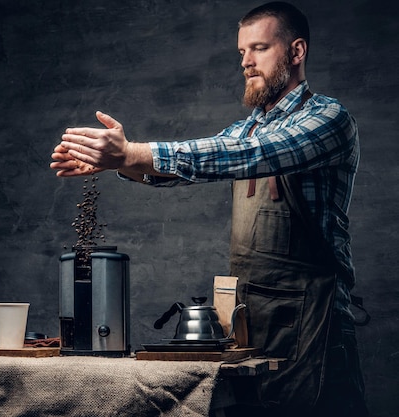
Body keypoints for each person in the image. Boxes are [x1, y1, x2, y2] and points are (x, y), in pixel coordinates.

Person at [50, 2, 368, 416]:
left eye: (259, 49)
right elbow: (193, 166)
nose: (247, 63)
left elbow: (248, 154)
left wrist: (134, 151)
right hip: (250, 321)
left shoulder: (328, 119)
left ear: (297, 51)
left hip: (316, 324)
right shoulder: (251, 124)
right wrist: (123, 162)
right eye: (241, 53)